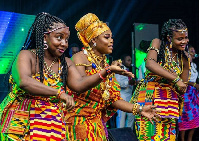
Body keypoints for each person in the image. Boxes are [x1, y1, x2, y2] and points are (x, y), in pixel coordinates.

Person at [0, 12, 135, 141]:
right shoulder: (27, 55)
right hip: (22, 121)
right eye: (59, 37)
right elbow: (24, 81)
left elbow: (79, 84)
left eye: (66, 39)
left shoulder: (66, 63)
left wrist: (107, 70)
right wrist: (59, 93)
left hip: (50, 123)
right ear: (44, 37)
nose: (64, 43)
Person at [65, 13, 160, 141]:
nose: (111, 40)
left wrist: (139, 109)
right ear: (93, 40)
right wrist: (107, 71)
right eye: (106, 37)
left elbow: (113, 99)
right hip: (79, 123)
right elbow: (80, 85)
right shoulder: (79, 58)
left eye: (111, 37)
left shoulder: (104, 64)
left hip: (97, 124)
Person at [130, 19, 190, 140]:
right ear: (169, 38)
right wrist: (174, 78)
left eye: (186, 38)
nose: (184, 41)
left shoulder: (184, 58)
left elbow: (183, 88)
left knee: (168, 137)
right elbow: (150, 64)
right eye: (180, 39)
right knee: (148, 135)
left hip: (169, 103)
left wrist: (178, 83)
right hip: (149, 98)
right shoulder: (157, 43)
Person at [178, 45, 199, 141]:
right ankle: (182, 139)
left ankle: (190, 138)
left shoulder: (194, 65)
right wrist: (194, 84)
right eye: (191, 51)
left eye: (194, 51)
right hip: (185, 93)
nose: (193, 53)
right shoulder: (182, 66)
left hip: (193, 94)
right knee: (184, 117)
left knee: (196, 118)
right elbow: (183, 81)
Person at [115, 54, 135, 129]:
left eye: (130, 60)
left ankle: (128, 133)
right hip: (121, 95)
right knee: (121, 117)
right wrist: (128, 83)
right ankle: (119, 135)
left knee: (131, 114)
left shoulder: (128, 70)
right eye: (128, 60)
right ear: (123, 61)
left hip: (129, 95)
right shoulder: (119, 70)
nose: (130, 62)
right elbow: (117, 83)